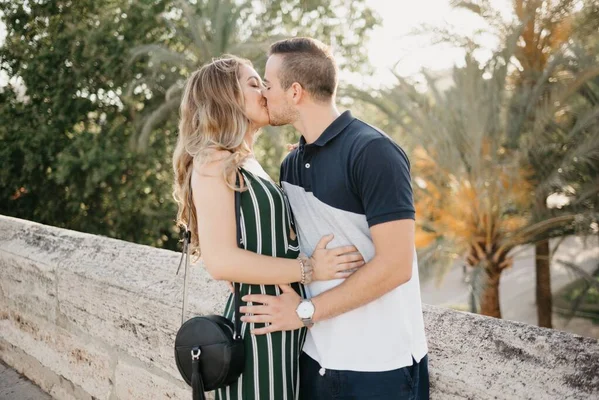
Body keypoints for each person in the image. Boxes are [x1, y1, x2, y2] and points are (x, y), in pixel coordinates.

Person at [240, 38, 430, 399]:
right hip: (316, 361)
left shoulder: (373, 152)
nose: (263, 94)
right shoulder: (291, 165)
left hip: (381, 368)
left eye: (268, 84)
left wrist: (305, 311)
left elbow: (396, 266)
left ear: (295, 92)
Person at [171, 55, 366, 400]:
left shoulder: (245, 161)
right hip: (257, 330)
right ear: (224, 97)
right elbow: (220, 262)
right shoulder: (213, 160)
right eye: (252, 83)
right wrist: (309, 269)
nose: (263, 90)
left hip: (283, 326)